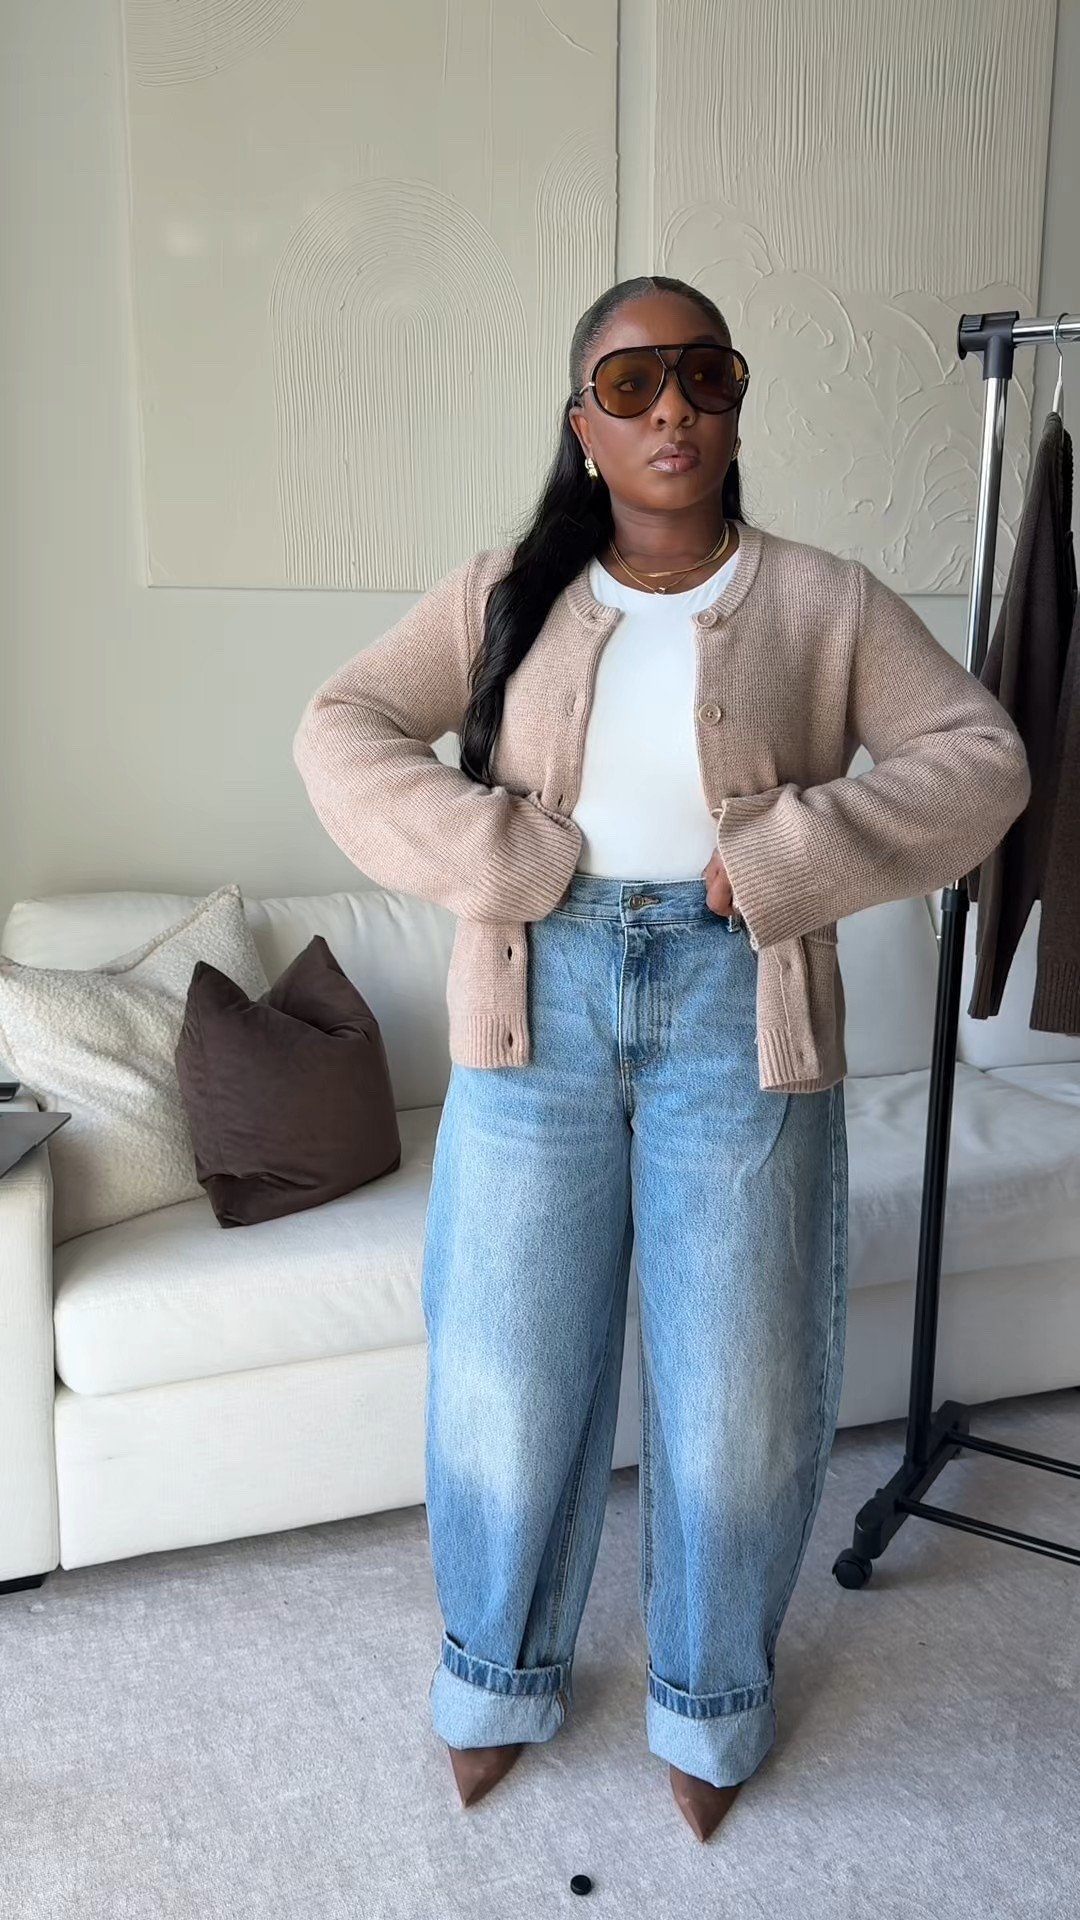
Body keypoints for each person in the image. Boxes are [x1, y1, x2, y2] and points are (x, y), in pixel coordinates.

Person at [293, 275, 1031, 1842]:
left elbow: (984, 762)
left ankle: (711, 1702)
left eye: (704, 374)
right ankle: (495, 1675)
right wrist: (497, 854)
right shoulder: (503, 592)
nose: (672, 408)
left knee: (740, 1391)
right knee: (505, 1375)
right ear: (584, 426)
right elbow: (341, 727)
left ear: (737, 402)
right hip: (532, 1013)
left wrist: (784, 856)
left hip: (739, 1017)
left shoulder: (825, 600)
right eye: (631, 384)